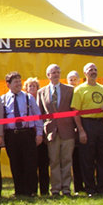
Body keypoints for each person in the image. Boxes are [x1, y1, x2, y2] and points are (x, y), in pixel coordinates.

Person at [70, 62, 103, 196]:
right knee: (87, 158)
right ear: (85, 73)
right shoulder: (79, 90)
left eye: (95, 69)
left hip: (101, 124)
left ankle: (102, 188)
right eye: (90, 70)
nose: (93, 72)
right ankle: (90, 188)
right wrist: (81, 130)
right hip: (87, 124)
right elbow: (75, 112)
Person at [36, 64, 76, 196]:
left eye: (58, 72)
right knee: (54, 161)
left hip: (67, 131)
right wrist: (41, 132)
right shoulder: (41, 92)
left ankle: (66, 188)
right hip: (51, 132)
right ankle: (55, 189)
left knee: (66, 160)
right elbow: (40, 114)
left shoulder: (70, 90)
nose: (56, 74)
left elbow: (74, 110)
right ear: (48, 75)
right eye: (53, 72)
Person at [1, 72, 43, 197]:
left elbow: (37, 116)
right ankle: (19, 191)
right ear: (8, 85)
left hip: (27, 133)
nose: (19, 84)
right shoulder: (3, 99)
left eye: (19, 81)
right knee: (15, 163)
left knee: (30, 163)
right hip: (11, 135)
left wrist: (39, 133)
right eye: (15, 82)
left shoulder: (28, 98)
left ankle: (31, 190)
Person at [24, 77, 49, 196]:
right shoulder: (24, 100)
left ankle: (44, 190)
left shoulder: (42, 99)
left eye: (34, 86)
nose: (32, 88)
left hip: (42, 135)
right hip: (29, 135)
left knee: (43, 164)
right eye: (30, 86)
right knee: (31, 164)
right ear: (26, 88)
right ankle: (32, 189)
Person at [66, 69, 85, 193]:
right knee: (73, 160)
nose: (73, 82)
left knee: (83, 158)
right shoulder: (65, 93)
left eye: (75, 79)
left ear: (79, 80)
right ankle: (77, 186)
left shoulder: (82, 91)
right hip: (69, 130)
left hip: (83, 128)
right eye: (70, 80)